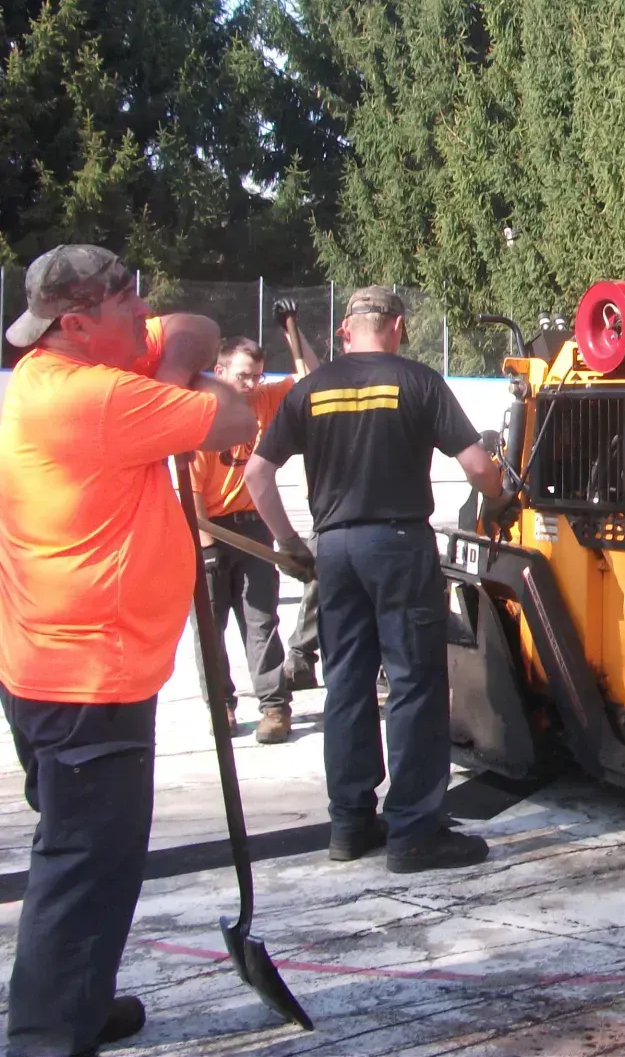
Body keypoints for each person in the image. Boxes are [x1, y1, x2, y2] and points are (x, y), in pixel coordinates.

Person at [0, 244, 255, 1057]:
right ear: (75, 323)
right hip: (87, 679)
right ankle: (47, 1037)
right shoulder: (93, 398)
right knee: (86, 862)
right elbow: (239, 418)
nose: (142, 314)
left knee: (82, 850)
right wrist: (171, 389)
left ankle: (76, 998)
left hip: (54, 666)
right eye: (123, 305)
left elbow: (197, 325)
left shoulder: (79, 370)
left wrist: (168, 375)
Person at [245, 285, 504, 872]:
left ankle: (351, 824)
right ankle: (415, 831)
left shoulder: (309, 390)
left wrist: (290, 543)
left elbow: (258, 475)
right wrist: (504, 498)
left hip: (333, 550)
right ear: (400, 327)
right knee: (413, 685)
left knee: (347, 684)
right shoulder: (417, 382)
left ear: (343, 331)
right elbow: (477, 465)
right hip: (398, 545)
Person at [191, 307, 320, 744]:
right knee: (211, 627)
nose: (252, 385)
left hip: (254, 528)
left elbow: (311, 383)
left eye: (258, 376)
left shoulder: (265, 400)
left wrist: (292, 332)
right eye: (244, 376)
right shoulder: (202, 412)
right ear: (219, 370)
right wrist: (205, 542)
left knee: (261, 621)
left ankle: (273, 707)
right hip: (211, 531)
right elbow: (190, 492)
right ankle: (221, 706)